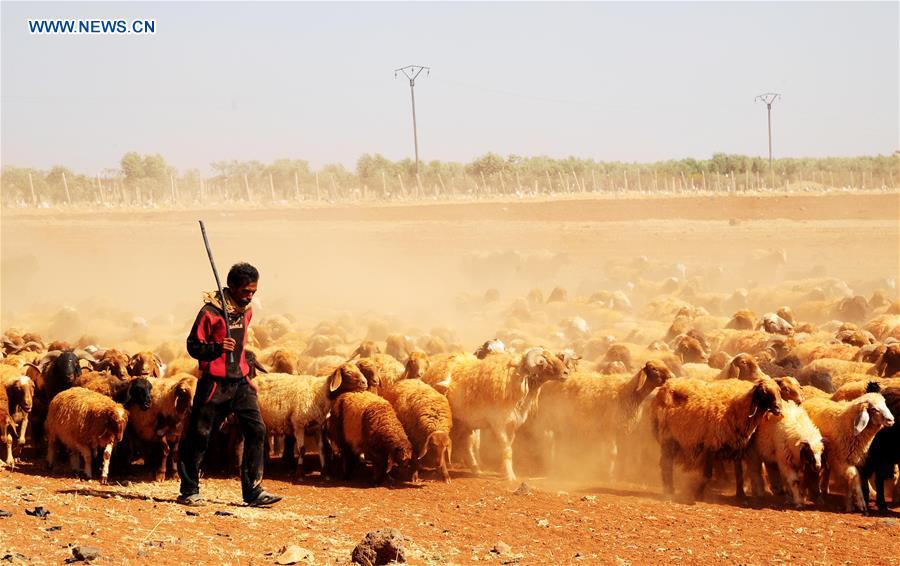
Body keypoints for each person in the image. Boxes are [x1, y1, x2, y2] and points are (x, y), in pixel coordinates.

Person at [177, 262, 281, 507]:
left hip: (240, 382)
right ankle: (189, 490)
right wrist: (216, 347)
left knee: (257, 430)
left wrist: (248, 376)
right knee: (200, 435)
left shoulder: (247, 311)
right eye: (246, 291)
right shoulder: (210, 313)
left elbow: (243, 345)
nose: (250, 296)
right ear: (231, 287)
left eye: (254, 291)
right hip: (214, 383)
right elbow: (193, 346)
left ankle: (253, 491)